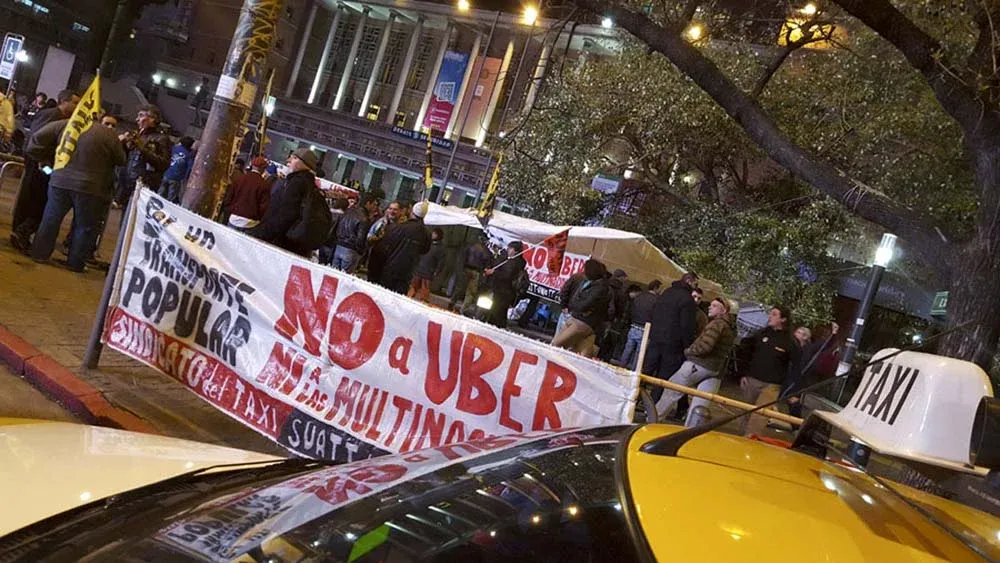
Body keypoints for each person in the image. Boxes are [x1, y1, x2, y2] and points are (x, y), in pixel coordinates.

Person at [29, 116, 127, 272]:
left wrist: (45, 162)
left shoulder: (64, 124)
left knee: (50, 219)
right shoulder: (108, 134)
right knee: (84, 226)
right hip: (91, 187)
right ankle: (75, 264)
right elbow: (121, 160)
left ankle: (39, 254)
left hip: (59, 180)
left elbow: (35, 140)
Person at [10, 89, 80, 254]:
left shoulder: (64, 119)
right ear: (64, 101)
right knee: (37, 199)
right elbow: (37, 140)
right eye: (75, 102)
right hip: (40, 166)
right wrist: (43, 163)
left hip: (46, 165)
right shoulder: (51, 115)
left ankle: (23, 233)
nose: (78, 106)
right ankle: (22, 232)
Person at [652, 298, 736, 426]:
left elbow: (705, 347)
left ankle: (653, 420)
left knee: (672, 390)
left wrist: (689, 351)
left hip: (698, 365)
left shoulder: (717, 324)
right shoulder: (731, 328)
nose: (710, 307)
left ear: (723, 310)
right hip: (715, 370)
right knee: (700, 404)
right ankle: (690, 429)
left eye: (714, 306)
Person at [738, 305, 801, 437]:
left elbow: (796, 366)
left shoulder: (790, 341)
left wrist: (792, 389)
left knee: (760, 416)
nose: (770, 317)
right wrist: (743, 373)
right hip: (752, 379)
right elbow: (745, 349)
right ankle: (740, 437)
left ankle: (750, 440)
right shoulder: (761, 334)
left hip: (771, 385)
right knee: (744, 411)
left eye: (774, 314)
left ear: (783, 319)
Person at [248, 148, 320, 256]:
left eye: (294, 158)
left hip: (280, 242)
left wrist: (261, 233)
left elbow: (285, 215)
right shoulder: (309, 184)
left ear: (304, 163)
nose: (289, 161)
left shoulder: (297, 182)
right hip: (293, 244)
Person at [643, 272, 700, 403]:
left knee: (647, 370)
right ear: (689, 282)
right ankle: (652, 404)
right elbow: (686, 326)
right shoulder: (687, 299)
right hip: (673, 343)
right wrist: (687, 345)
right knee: (663, 377)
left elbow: (654, 312)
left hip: (656, 337)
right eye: (695, 283)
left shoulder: (666, 292)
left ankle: (634, 397)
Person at [551, 259, 613, 355]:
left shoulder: (599, 288)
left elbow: (582, 305)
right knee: (581, 352)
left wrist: (570, 304)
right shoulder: (598, 286)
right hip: (582, 320)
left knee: (556, 344)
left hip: (582, 321)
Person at [114, 104, 171, 208]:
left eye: (141, 116)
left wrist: (141, 149)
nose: (137, 119)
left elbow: (163, 164)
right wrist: (122, 144)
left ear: (153, 119)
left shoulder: (161, 139)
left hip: (143, 187)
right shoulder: (138, 136)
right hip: (127, 184)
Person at [377, 201, 432, 293]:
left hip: (391, 268)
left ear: (412, 212)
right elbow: (424, 250)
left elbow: (387, 244)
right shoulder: (426, 234)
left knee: (383, 295)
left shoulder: (399, 227)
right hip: (408, 272)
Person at [483, 241, 527, 329]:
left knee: (497, 310)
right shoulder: (511, 260)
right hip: (505, 291)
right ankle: (499, 326)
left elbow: (506, 275)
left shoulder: (514, 262)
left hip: (504, 290)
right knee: (501, 311)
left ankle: (494, 327)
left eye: (510, 248)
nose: (508, 250)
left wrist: (494, 272)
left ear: (515, 251)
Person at [332, 193, 380, 273]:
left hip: (338, 246)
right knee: (345, 278)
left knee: (333, 276)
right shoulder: (364, 218)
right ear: (368, 203)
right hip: (351, 250)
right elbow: (360, 239)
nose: (375, 207)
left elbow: (337, 227)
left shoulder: (348, 211)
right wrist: (361, 251)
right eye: (374, 204)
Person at [619, 280, 661, 369]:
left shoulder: (639, 296)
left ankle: (620, 368)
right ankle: (633, 373)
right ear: (656, 288)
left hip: (634, 326)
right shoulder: (657, 301)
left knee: (628, 349)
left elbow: (632, 309)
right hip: (645, 329)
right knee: (639, 354)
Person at [224, 156, 271, 232]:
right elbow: (263, 207)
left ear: (252, 166)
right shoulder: (264, 185)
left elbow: (229, 197)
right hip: (251, 223)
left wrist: (231, 209)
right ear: (262, 168)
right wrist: (258, 218)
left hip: (234, 218)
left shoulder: (240, 179)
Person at [451, 238, 493, 316]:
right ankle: (463, 308)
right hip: (476, 271)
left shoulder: (470, 247)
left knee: (461, 288)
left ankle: (453, 302)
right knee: (470, 292)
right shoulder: (486, 252)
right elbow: (487, 264)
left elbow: (462, 258)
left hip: (467, 269)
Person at [366, 201, 402, 283]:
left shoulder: (402, 226)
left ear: (400, 211)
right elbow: (369, 236)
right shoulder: (381, 222)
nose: (392, 211)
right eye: (390, 209)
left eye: (395, 209)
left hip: (391, 261)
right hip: (376, 257)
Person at [409, 227, 446, 302]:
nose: (433, 235)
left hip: (429, 270)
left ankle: (423, 300)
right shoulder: (427, 243)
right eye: (433, 233)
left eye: (435, 234)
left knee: (425, 286)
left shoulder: (441, 248)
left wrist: (437, 271)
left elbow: (441, 261)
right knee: (414, 284)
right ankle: (409, 296)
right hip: (420, 267)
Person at [159, 136, 195, 203]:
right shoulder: (189, 154)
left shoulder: (175, 148)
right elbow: (190, 167)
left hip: (167, 174)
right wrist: (185, 177)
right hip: (176, 178)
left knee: (161, 193)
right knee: (171, 197)